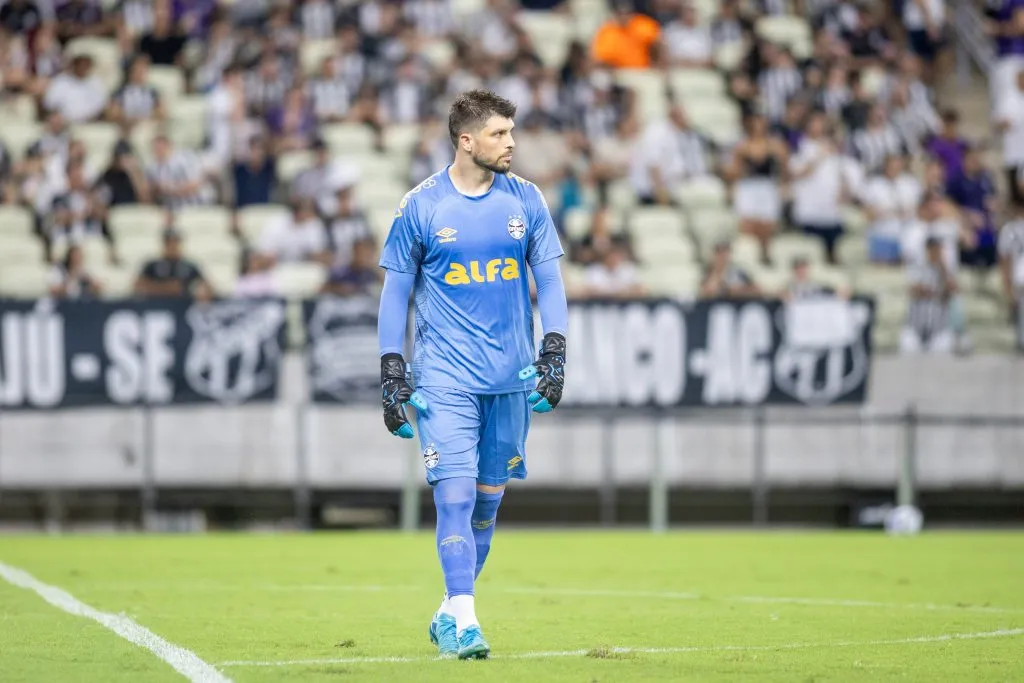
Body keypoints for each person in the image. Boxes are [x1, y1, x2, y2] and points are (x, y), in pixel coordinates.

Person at [376, 90, 567, 660]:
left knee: (486, 506)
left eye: (511, 132)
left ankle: (448, 611)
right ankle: (467, 621)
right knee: (455, 497)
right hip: (444, 380)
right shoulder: (421, 206)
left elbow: (550, 281)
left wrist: (555, 349)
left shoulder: (527, 199)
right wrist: (392, 368)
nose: (511, 143)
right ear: (466, 140)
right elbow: (396, 292)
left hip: (510, 378)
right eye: (499, 133)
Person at [730, 113, 788, 265]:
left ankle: (765, 254)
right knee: (748, 223)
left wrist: (783, 184)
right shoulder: (742, 147)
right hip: (748, 186)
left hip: (767, 186)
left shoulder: (775, 146)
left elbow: (784, 167)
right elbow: (734, 170)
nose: (758, 127)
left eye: (761, 124)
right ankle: (749, 256)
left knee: (767, 223)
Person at [900, 236, 957, 354]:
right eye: (933, 250)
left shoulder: (945, 270)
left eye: (938, 250)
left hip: (939, 328)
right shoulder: (917, 266)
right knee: (908, 347)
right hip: (916, 327)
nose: (936, 253)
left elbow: (951, 290)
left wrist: (943, 270)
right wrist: (935, 292)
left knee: (944, 349)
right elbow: (913, 289)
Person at [134, 228, 211, 299]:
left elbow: (206, 287)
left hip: (183, 306)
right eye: (169, 243)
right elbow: (137, 286)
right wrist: (164, 288)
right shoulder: (152, 266)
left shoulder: (190, 267)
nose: (172, 247)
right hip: (156, 305)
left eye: (175, 242)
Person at [999, 198, 1024, 350]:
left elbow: (1005, 260)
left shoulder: (1009, 229)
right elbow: (1005, 259)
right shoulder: (1009, 229)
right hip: (1018, 278)